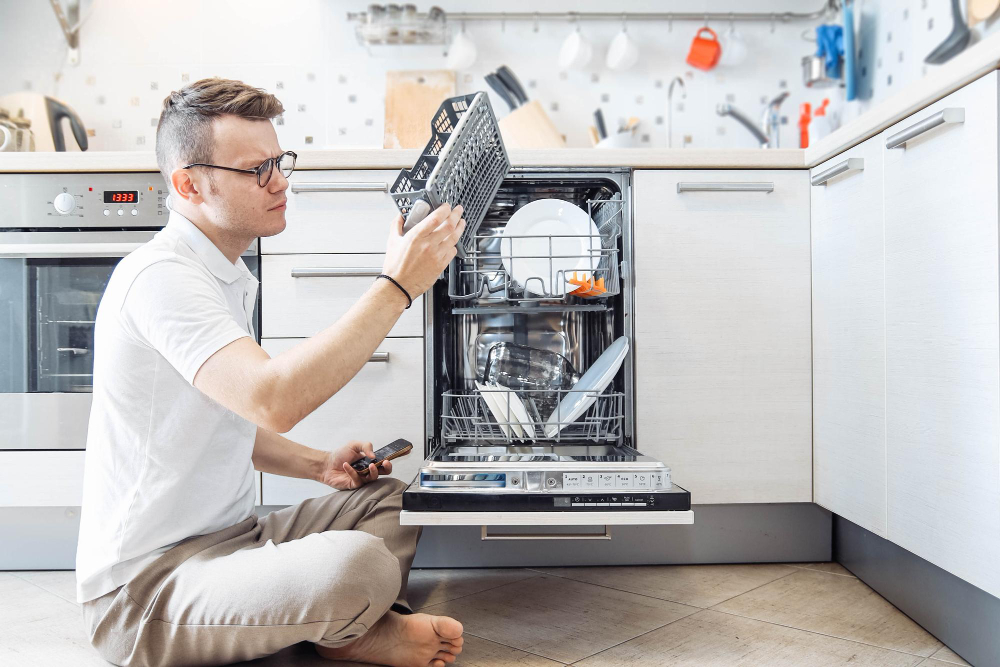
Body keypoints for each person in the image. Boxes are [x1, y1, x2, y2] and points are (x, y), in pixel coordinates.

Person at [75, 77, 466, 667]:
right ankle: (356, 626)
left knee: (391, 500)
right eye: (257, 169)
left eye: (280, 161)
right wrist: (398, 286)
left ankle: (348, 625)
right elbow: (270, 399)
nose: (280, 181)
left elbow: (219, 416)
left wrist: (319, 465)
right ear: (189, 184)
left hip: (235, 542)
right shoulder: (161, 278)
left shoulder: (224, 276)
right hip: (145, 589)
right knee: (355, 565)